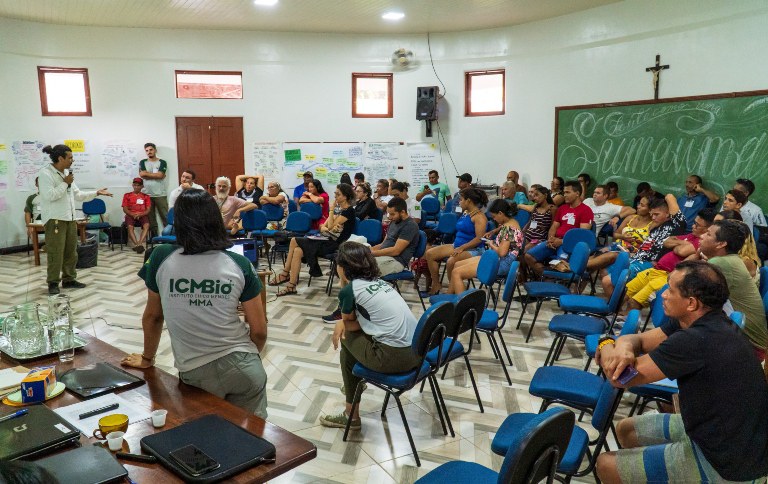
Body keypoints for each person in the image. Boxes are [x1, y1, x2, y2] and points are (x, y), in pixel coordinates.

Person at [595, 261, 768, 484]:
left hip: (727, 463)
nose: (663, 295)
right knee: (626, 430)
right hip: (719, 433)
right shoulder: (703, 321)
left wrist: (606, 343)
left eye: (671, 290)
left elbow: (618, 377)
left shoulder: (694, 340)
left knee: (606, 465)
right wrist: (625, 348)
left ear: (691, 303)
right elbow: (637, 339)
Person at [121, 189, 268, 418]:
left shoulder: (160, 257)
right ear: (215, 219)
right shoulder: (239, 263)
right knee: (253, 441)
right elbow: (259, 331)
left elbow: (154, 316)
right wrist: (247, 357)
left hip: (196, 371)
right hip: (245, 367)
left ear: (178, 221)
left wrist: (148, 359)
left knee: (205, 439)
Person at [319, 241, 420, 430]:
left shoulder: (351, 290)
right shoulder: (381, 282)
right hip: (417, 353)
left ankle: (351, 415)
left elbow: (350, 324)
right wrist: (345, 322)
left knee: (346, 339)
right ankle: (355, 386)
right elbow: (365, 322)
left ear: (342, 267)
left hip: (394, 358)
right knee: (350, 337)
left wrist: (341, 322)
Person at [38, 144, 112, 295]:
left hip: (70, 218)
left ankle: (69, 279)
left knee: (71, 252)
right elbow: (49, 195)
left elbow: (77, 195)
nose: (73, 160)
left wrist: (96, 192)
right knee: (55, 252)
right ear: (60, 158)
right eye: (70, 157)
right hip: (55, 219)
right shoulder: (45, 174)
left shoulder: (66, 173)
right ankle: (53, 282)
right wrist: (66, 182)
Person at [269, 183, 356, 296]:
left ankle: (285, 273)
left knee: (294, 240)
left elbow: (328, 227)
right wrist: (329, 226)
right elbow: (323, 227)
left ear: (345, 196)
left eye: (338, 194)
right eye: (335, 194)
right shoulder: (340, 210)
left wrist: (330, 212)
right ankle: (291, 286)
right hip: (326, 239)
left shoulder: (348, 211)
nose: (335, 197)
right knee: (297, 251)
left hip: (335, 244)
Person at [698, 219, 767, 360]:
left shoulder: (721, 263)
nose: (702, 236)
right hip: (742, 340)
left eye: (708, 234)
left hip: (749, 348)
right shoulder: (731, 259)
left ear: (721, 244)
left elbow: (690, 294)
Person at [624, 209, 715, 311]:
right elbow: (667, 241)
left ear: (707, 229)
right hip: (655, 270)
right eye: (694, 223)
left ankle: (627, 323)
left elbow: (682, 251)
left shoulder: (701, 242)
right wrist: (681, 245)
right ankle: (618, 317)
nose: (693, 226)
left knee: (635, 301)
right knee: (624, 291)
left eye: (697, 225)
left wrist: (678, 244)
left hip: (667, 276)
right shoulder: (691, 236)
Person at [449, 199, 522, 294]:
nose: (494, 219)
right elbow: (504, 229)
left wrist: (491, 244)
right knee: (457, 265)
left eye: (494, 217)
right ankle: (450, 295)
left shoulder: (509, 229)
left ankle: (461, 305)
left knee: (456, 273)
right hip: (500, 259)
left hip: (502, 263)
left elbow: (502, 252)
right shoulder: (512, 222)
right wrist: (494, 231)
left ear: (500, 213)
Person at [424, 187, 488, 295]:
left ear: (469, 201)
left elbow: (479, 239)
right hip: (458, 246)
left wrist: (462, 248)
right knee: (430, 253)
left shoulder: (479, 217)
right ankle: (436, 283)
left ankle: (451, 291)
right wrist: (459, 247)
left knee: (451, 261)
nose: (459, 201)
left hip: (474, 250)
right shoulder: (466, 212)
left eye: (461, 199)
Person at [524, 180, 593, 278]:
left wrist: (561, 241)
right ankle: (548, 279)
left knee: (559, 265)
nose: (564, 195)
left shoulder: (586, 210)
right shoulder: (562, 208)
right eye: (564, 192)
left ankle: (557, 281)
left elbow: (582, 236)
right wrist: (551, 239)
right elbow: (554, 226)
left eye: (567, 192)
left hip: (569, 245)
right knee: (528, 256)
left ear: (577, 193)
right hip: (554, 242)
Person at [586, 195, 653, 273]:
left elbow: (651, 245)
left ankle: (575, 266)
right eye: (639, 203)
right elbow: (615, 234)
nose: (638, 206)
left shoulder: (652, 225)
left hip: (631, 252)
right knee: (599, 253)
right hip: (618, 245)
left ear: (650, 209)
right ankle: (577, 267)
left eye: (642, 205)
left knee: (609, 257)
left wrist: (639, 242)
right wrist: (623, 236)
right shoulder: (630, 218)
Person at [371, 197, 420, 276]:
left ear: (403, 212)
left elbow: (396, 251)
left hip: (396, 261)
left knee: (362, 268)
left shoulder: (410, 225)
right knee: (354, 261)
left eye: (392, 214)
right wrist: (369, 250)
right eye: (388, 213)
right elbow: (383, 244)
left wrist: (372, 253)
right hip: (384, 256)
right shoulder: (394, 221)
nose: (389, 217)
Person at [138, 142, 168, 236]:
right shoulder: (142, 162)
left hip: (160, 194)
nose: (149, 152)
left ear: (155, 150)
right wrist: (157, 176)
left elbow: (160, 175)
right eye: (147, 150)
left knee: (165, 217)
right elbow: (142, 175)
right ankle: (154, 239)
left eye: (151, 150)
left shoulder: (162, 162)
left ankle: (169, 237)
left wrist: (148, 175)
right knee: (150, 219)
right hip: (147, 195)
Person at [516, 185, 556, 250]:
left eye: (537, 195)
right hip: (529, 234)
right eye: (534, 196)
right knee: (515, 248)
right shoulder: (536, 207)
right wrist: (522, 232)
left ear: (545, 195)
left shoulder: (552, 208)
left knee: (523, 251)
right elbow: (530, 221)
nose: (535, 198)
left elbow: (553, 226)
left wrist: (548, 235)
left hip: (539, 237)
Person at [122, 177, 152, 253]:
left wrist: (140, 214)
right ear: (132, 185)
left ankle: (139, 243)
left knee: (147, 225)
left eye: (138, 185)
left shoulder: (146, 196)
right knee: (129, 226)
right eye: (135, 185)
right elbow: (125, 209)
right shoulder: (127, 195)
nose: (136, 187)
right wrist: (132, 214)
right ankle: (136, 244)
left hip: (142, 215)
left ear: (142, 186)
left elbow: (148, 210)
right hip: (130, 215)